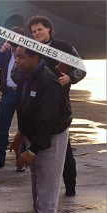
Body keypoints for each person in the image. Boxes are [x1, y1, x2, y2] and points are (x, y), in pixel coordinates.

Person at [9, 46, 71, 213]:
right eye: (15, 56)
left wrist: (32, 150)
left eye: (21, 57)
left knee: (46, 195)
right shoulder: (26, 77)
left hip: (51, 137)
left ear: (36, 58)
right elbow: (26, 110)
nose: (16, 61)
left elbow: (48, 121)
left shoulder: (47, 82)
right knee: (39, 194)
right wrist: (21, 135)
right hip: (36, 135)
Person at [27, 15, 86, 197]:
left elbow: (81, 69)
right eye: (34, 31)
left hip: (59, 105)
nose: (37, 33)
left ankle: (70, 185)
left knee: (64, 149)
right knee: (35, 145)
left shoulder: (63, 47)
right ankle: (39, 186)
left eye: (40, 29)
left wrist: (70, 78)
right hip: (36, 105)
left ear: (49, 29)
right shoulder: (31, 49)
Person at [0, 26, 27, 172]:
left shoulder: (25, 53)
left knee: (24, 128)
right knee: (2, 127)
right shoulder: (4, 52)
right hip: (8, 93)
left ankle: (21, 161)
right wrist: (1, 51)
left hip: (22, 94)